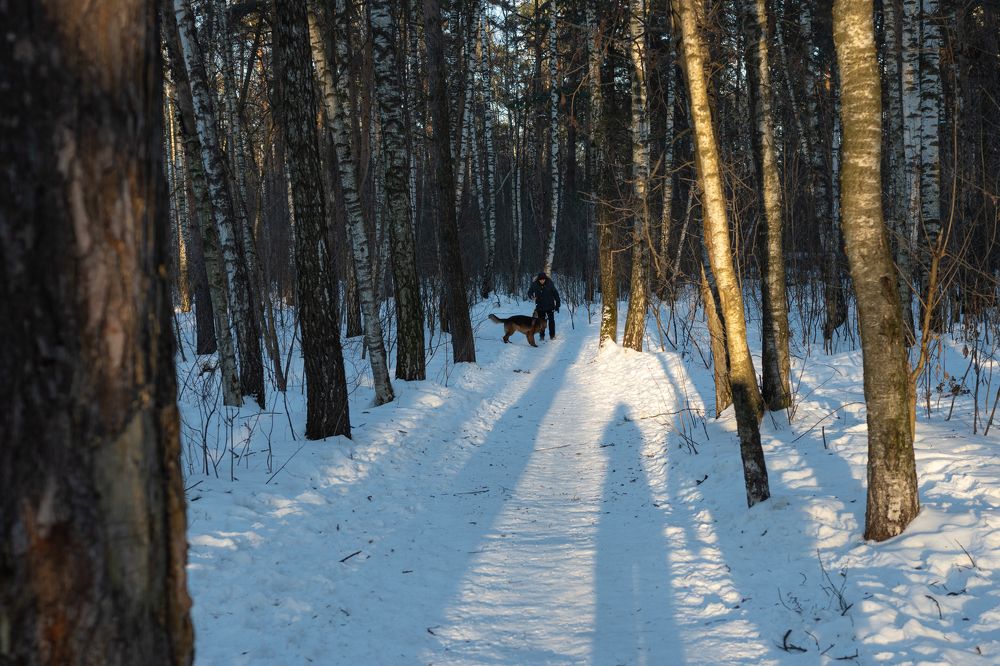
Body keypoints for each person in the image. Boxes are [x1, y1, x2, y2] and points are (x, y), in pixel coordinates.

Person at [527, 272, 561, 340]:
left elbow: (556, 294)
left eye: (543, 279)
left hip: (550, 306)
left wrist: (557, 304)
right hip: (540, 306)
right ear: (538, 279)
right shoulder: (535, 284)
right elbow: (529, 292)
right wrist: (532, 296)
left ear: (545, 279)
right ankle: (541, 337)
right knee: (541, 323)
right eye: (540, 279)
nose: (542, 281)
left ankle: (552, 336)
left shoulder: (550, 284)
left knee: (551, 321)